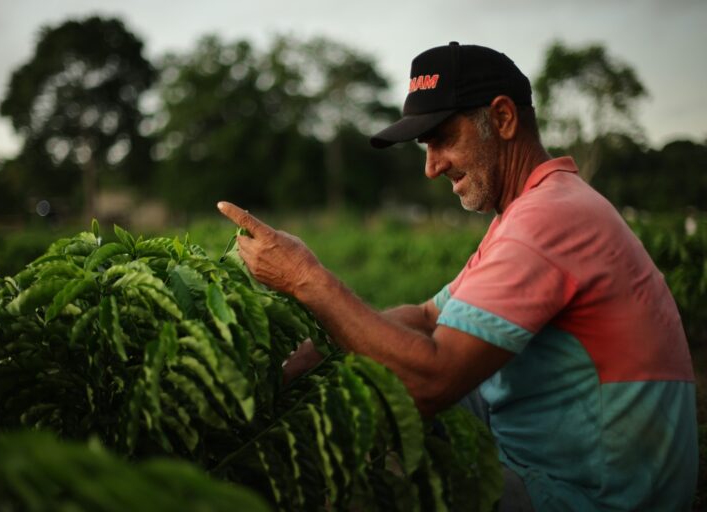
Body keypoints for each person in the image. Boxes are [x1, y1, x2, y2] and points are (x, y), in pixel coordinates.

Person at [217, 42, 698, 511]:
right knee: (360, 394)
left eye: (443, 138)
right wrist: (321, 351)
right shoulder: (533, 210)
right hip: (567, 461)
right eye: (426, 146)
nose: (431, 167)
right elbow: (428, 316)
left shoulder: (548, 221)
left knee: (365, 476)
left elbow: (433, 381)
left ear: (504, 119)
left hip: (592, 493)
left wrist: (307, 279)